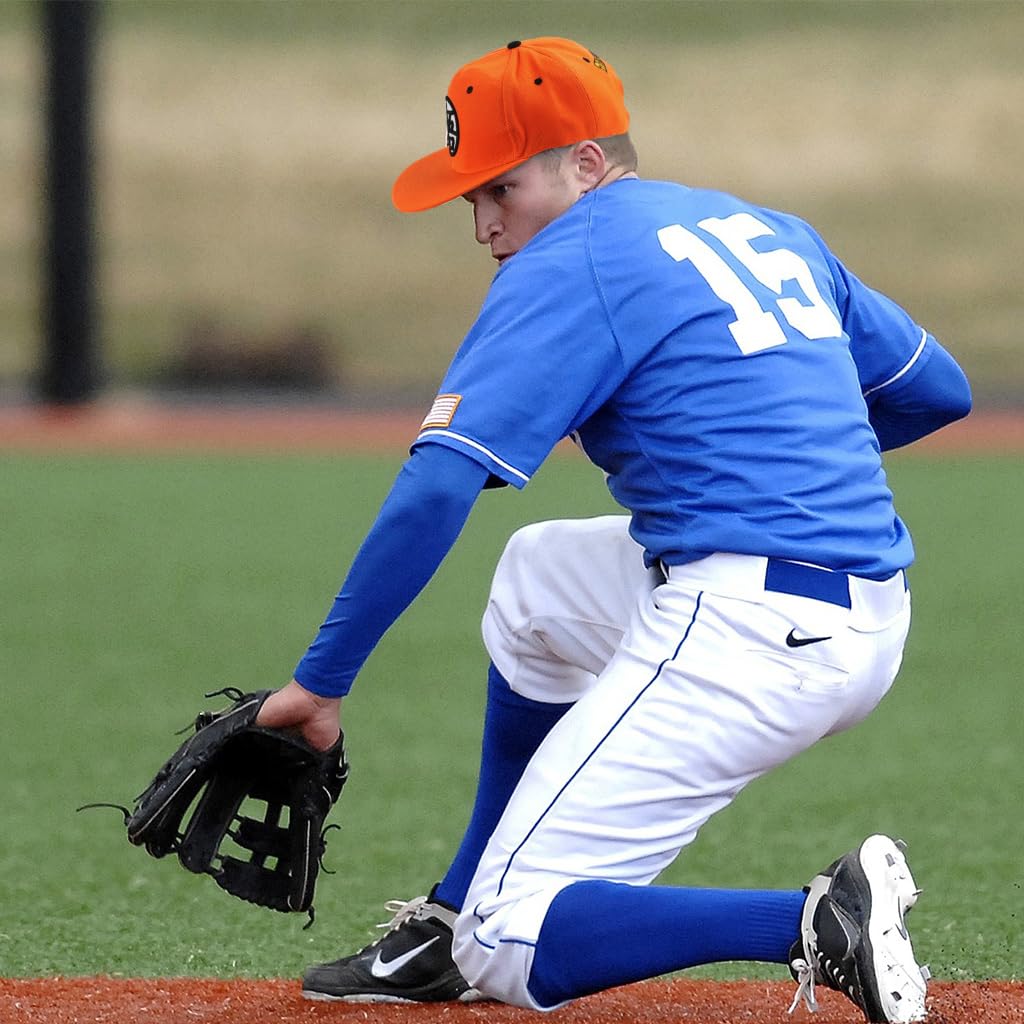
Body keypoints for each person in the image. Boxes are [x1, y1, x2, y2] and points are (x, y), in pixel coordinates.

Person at [255, 37, 971, 1022]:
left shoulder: (572, 259)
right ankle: (450, 911)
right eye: (470, 197)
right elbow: (938, 390)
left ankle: (812, 921)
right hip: (864, 613)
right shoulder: (757, 225)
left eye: (499, 188)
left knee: (509, 943)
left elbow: (433, 491)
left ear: (586, 163)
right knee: (536, 582)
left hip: (749, 628)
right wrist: (787, 460)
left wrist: (320, 682)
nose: (482, 223)